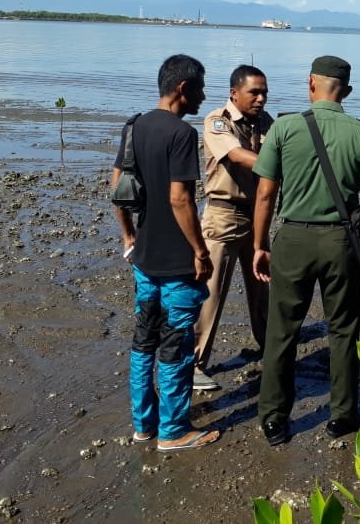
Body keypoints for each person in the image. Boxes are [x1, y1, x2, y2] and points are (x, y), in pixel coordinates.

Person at [251, 55, 360, 446]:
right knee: (343, 329)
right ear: (347, 91)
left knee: (282, 331)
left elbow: (265, 193)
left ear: (311, 83)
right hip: (341, 243)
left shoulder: (284, 128)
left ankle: (274, 418)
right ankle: (342, 415)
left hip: (293, 239)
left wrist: (259, 245)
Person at [111, 54, 220, 453]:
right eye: (200, 89)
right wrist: (200, 250)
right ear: (182, 88)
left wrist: (128, 236)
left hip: (144, 256)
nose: (203, 97)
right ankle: (173, 431)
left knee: (144, 341)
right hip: (176, 262)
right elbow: (180, 199)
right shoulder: (181, 134)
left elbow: (118, 187)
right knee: (175, 346)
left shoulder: (135, 125)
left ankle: (144, 425)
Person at [191, 65, 273, 391]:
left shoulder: (266, 122)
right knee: (210, 294)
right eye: (254, 92)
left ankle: (271, 347)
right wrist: (282, 163)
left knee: (262, 288)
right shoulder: (217, 121)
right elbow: (237, 155)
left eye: (264, 92)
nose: (261, 98)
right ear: (234, 93)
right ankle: (194, 365)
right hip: (223, 216)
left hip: (257, 215)